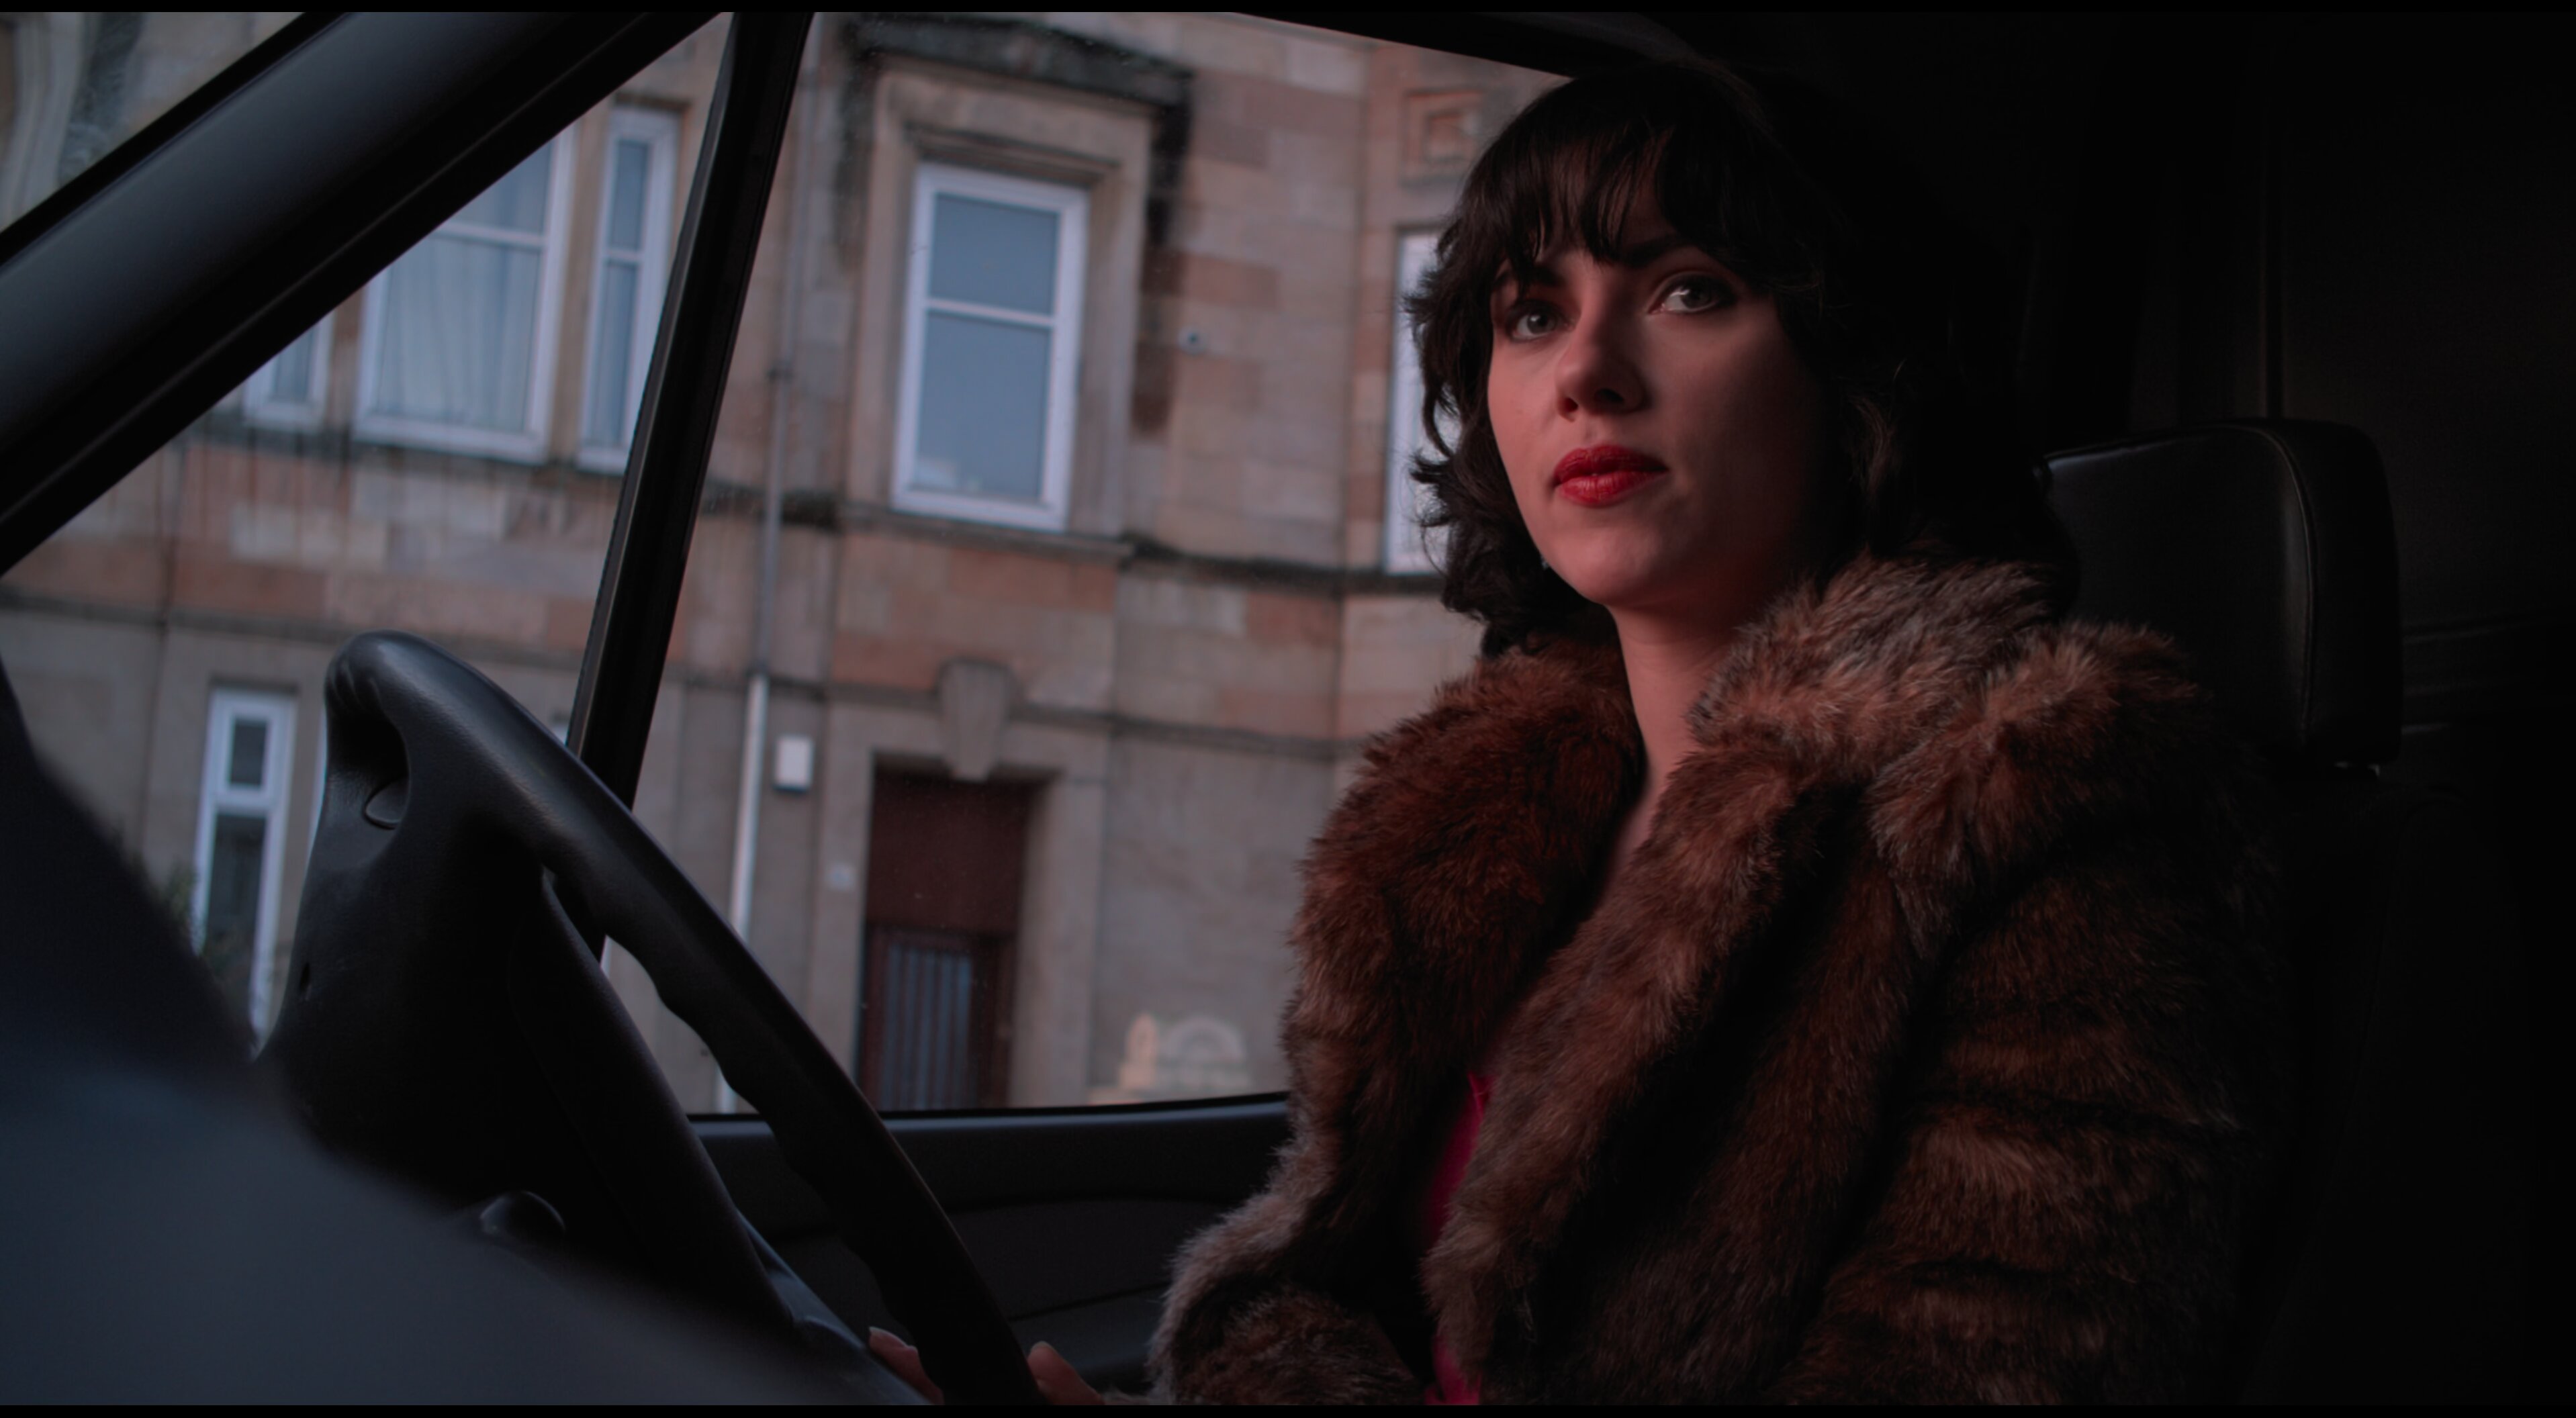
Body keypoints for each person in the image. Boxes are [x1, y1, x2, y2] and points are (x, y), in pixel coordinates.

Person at [878, 56, 2282, 1404]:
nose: (1589, 372)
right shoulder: (1481, 827)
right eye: (1532, 314)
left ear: (1856, 363)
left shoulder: (2037, 801)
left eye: (1689, 290)